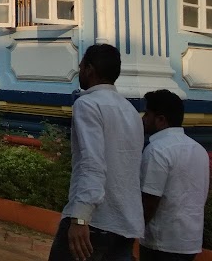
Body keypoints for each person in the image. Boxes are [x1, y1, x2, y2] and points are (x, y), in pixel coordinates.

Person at [48, 44, 144, 261]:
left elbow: (92, 164)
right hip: (125, 224)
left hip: (95, 222)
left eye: (81, 66)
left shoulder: (87, 104)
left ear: (90, 69)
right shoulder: (130, 110)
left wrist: (80, 218)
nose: (78, 71)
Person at [139, 89, 210, 261]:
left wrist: (136, 229)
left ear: (161, 119)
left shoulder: (157, 150)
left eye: (147, 114)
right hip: (189, 241)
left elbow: (150, 200)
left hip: (162, 242)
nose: (143, 119)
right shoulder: (199, 150)